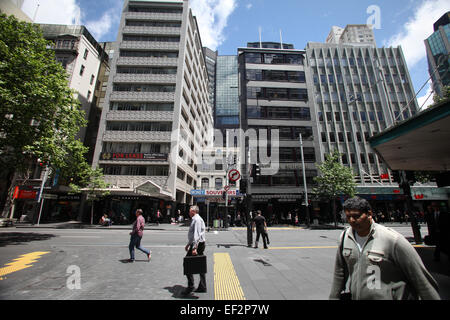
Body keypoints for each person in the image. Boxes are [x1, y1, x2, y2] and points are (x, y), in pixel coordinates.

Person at [329, 196, 440, 300]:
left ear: (369, 214)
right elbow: (340, 272)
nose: (352, 220)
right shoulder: (345, 237)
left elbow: (420, 278)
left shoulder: (392, 239)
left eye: (356, 216)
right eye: (348, 217)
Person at [182, 205, 206, 295]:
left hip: (198, 245)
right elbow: (194, 234)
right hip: (197, 244)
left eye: (190, 211)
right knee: (200, 265)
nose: (188, 212)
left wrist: (194, 247)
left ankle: (191, 286)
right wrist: (189, 244)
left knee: (187, 263)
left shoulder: (197, 220)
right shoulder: (196, 219)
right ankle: (202, 286)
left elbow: (197, 234)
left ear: (194, 211)